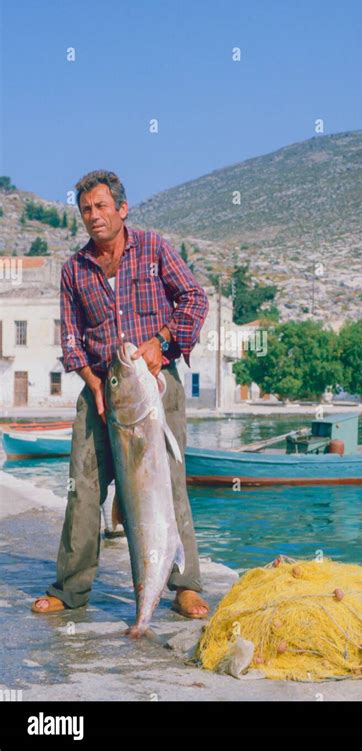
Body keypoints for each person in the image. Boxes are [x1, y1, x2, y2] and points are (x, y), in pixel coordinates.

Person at [32, 170, 210, 620]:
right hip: (100, 390)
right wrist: (92, 383)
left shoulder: (153, 248)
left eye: (101, 206)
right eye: (86, 209)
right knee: (82, 488)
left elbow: (194, 298)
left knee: (169, 485)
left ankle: (184, 585)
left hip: (155, 389)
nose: (93, 216)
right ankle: (70, 589)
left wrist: (163, 341)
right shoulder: (75, 269)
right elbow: (71, 338)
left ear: (122, 209)